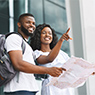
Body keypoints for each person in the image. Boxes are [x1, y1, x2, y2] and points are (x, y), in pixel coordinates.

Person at [4, 13, 65, 95]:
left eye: (33, 23)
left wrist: (61, 40)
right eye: (28, 22)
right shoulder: (14, 38)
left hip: (30, 89)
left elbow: (48, 59)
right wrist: (48, 70)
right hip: (18, 89)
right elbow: (18, 64)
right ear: (19, 24)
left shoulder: (27, 46)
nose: (31, 25)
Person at [30, 23, 73, 95]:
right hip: (51, 89)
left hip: (65, 88)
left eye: (50, 33)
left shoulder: (61, 53)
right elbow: (49, 58)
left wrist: (87, 71)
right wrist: (61, 40)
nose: (47, 35)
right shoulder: (37, 53)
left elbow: (72, 67)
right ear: (38, 36)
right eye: (44, 33)